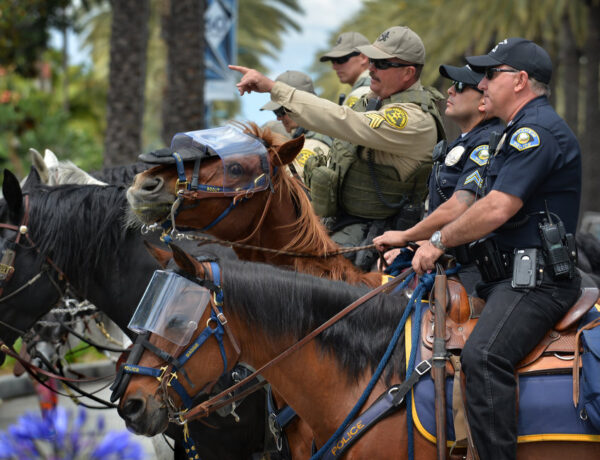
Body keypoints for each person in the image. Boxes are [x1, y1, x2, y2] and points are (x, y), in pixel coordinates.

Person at [411, 38, 582, 459]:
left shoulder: (535, 132)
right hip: (502, 277)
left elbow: (496, 208)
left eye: (491, 74)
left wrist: (437, 240)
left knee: (484, 355)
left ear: (520, 80)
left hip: (536, 283)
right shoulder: (512, 132)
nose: (482, 83)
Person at [230, 26, 445, 270]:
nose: (371, 68)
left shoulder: (411, 117)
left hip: (378, 236)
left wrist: (273, 88)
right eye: (372, 60)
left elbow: (343, 119)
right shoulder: (380, 103)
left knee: (307, 281)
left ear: (408, 73)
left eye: (382, 64)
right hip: (351, 225)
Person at [373, 64, 504, 293]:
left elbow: (460, 206)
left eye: (461, 86)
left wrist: (405, 237)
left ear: (483, 102)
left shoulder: (485, 144)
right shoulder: (464, 142)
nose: (450, 91)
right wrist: (415, 245)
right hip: (443, 257)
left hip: (473, 271)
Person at [260, 70, 332, 181]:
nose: (278, 118)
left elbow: (290, 184)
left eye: (282, 111)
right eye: (276, 112)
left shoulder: (314, 144)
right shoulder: (316, 132)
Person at [319, 31, 371, 107]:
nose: (334, 67)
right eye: (333, 61)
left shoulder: (361, 93)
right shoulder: (373, 88)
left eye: (340, 59)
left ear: (363, 58)